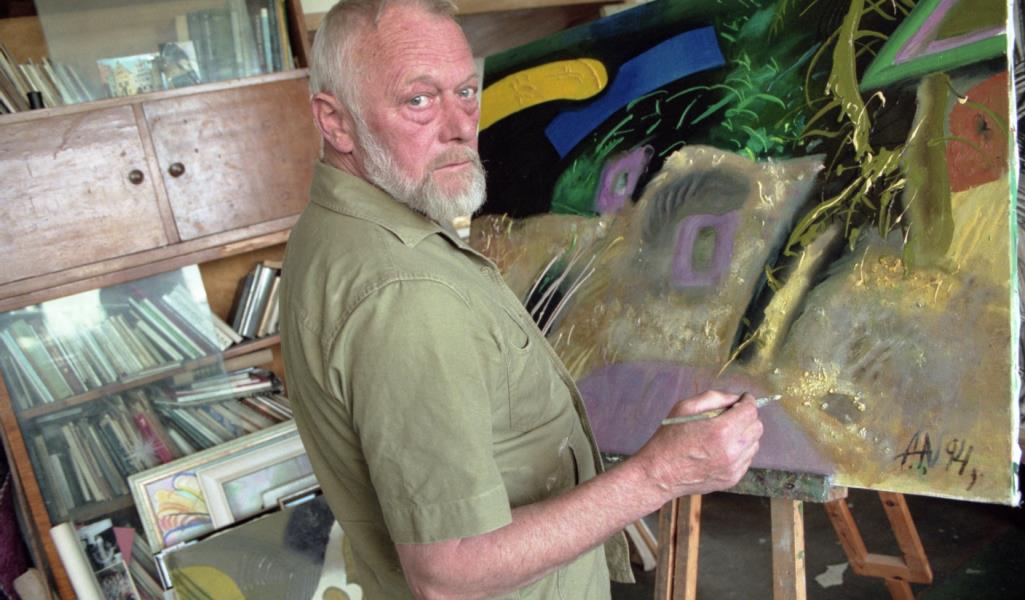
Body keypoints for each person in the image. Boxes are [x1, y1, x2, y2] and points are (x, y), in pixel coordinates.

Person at [279, 1, 764, 598]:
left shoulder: (337, 226)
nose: (460, 126)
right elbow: (450, 572)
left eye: (465, 91)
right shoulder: (407, 293)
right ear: (336, 122)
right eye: (419, 100)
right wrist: (661, 474)